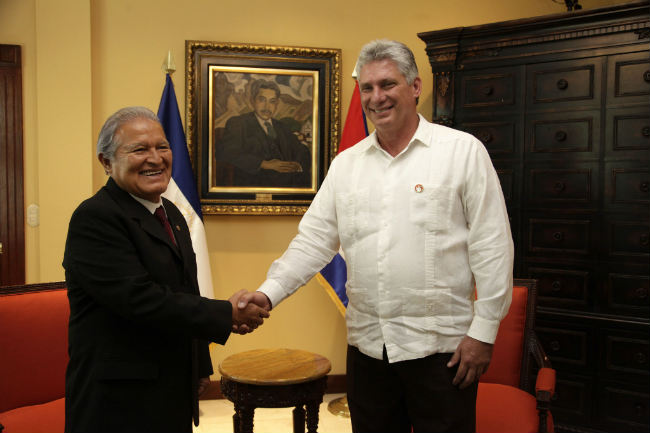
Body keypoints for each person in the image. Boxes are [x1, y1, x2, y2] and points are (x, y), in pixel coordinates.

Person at [238, 40, 514, 433]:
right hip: (369, 350)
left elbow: (492, 247)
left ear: (415, 87)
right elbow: (313, 241)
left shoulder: (462, 153)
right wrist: (267, 294)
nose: (376, 97)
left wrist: (484, 332)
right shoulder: (346, 165)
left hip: (442, 352)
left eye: (387, 84)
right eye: (367, 88)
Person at [62, 106, 269, 433]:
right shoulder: (95, 218)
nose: (155, 158)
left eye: (162, 147)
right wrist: (225, 314)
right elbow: (140, 299)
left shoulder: (171, 212)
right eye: (139, 149)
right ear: (106, 162)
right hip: (119, 397)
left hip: (171, 384)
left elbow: (187, 288)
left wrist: (199, 364)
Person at [215, 79, 312, 188]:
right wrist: (264, 164)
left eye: (272, 101)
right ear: (253, 101)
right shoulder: (238, 123)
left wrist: (297, 165)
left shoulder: (282, 127)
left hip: (287, 190)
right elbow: (225, 152)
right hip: (253, 187)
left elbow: (302, 151)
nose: (267, 107)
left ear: (277, 104)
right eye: (262, 100)